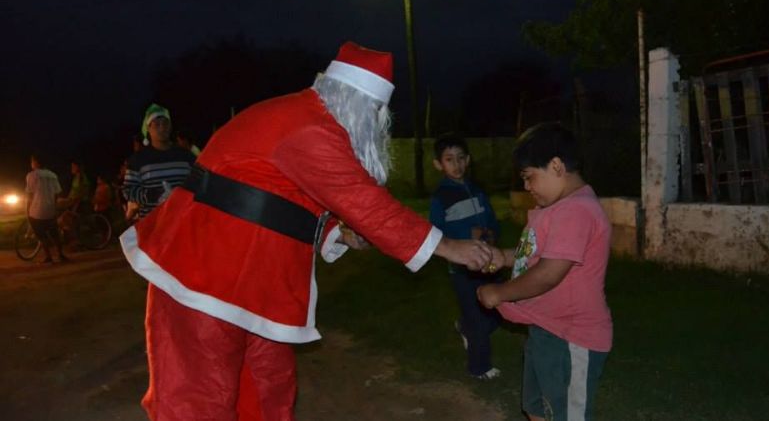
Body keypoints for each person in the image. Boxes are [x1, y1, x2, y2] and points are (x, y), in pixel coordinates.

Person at [119, 41, 494, 421]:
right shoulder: (308, 127)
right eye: (375, 113)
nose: (378, 125)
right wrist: (448, 246)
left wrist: (339, 233)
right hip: (200, 272)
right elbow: (362, 200)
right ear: (355, 103)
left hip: (251, 282)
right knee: (200, 395)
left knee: (269, 385)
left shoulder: (305, 122)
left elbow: (280, 194)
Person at [477, 123, 613, 421]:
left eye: (529, 177)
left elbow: (550, 272)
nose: (527, 187)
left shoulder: (576, 211)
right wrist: (504, 257)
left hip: (572, 337)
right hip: (547, 329)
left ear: (556, 166)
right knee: (537, 406)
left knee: (565, 415)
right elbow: (536, 256)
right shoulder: (559, 208)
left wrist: (500, 293)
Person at [429, 133, 502, 380]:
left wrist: (492, 234)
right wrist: (465, 233)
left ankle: (465, 326)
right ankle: (479, 367)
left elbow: (491, 220)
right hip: (460, 268)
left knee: (499, 307)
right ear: (439, 164)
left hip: (489, 261)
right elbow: (437, 233)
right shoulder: (440, 197)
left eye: (461, 158)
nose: (456, 164)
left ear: (468, 160)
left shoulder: (478, 191)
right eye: (449, 159)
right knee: (477, 316)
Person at [122, 103, 196, 220]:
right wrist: (151, 195)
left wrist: (182, 193)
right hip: (153, 226)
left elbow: (200, 182)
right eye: (156, 124)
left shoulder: (186, 156)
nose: (162, 128)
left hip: (183, 222)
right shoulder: (138, 160)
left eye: (165, 123)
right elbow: (128, 190)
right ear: (148, 129)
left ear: (170, 126)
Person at [25, 154, 67, 263]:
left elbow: (30, 195)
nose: (31, 164)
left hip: (36, 211)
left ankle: (48, 257)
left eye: (32, 161)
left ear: (36, 162)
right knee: (55, 234)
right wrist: (54, 206)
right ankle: (60, 255)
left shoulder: (31, 175)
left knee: (41, 235)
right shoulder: (53, 175)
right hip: (50, 210)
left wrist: (27, 210)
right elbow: (57, 193)